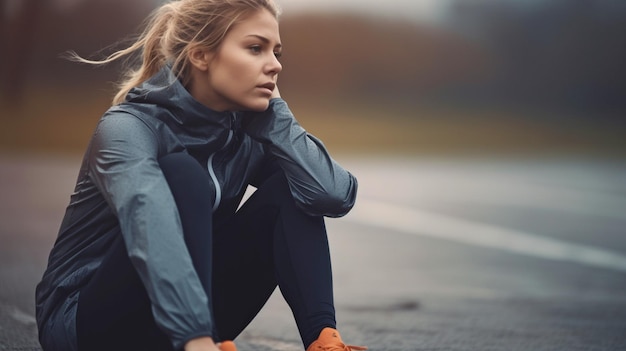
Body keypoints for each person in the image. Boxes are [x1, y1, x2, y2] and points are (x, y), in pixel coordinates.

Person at [34, 0, 367, 351]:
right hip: (86, 324)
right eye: (256, 48)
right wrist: (195, 337)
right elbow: (148, 223)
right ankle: (196, 341)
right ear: (201, 56)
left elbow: (331, 194)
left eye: (276, 52)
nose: (275, 65)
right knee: (183, 175)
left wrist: (277, 120)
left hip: (192, 319)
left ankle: (323, 342)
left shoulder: (243, 132)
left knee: (292, 185)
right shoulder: (128, 128)